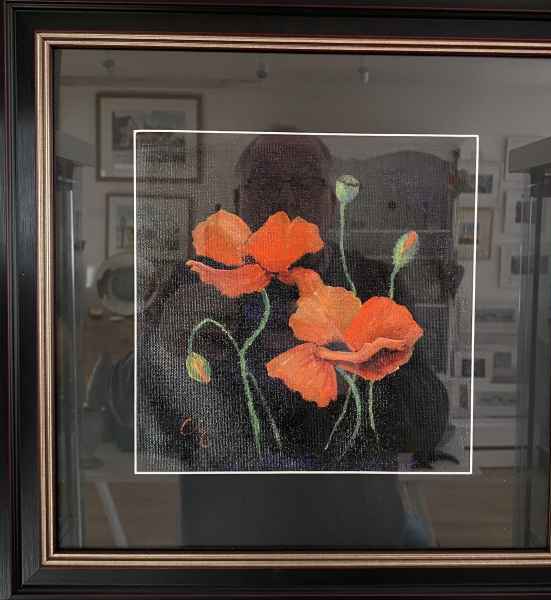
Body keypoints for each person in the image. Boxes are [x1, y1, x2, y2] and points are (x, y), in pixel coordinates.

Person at [137, 133, 457, 547]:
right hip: (229, 541)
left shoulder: (374, 284)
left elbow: (427, 424)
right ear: (237, 201)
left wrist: (357, 367)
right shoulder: (195, 283)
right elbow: (134, 421)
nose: (285, 197)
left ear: (332, 204)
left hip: (354, 539)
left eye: (306, 181)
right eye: (265, 181)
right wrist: (168, 346)